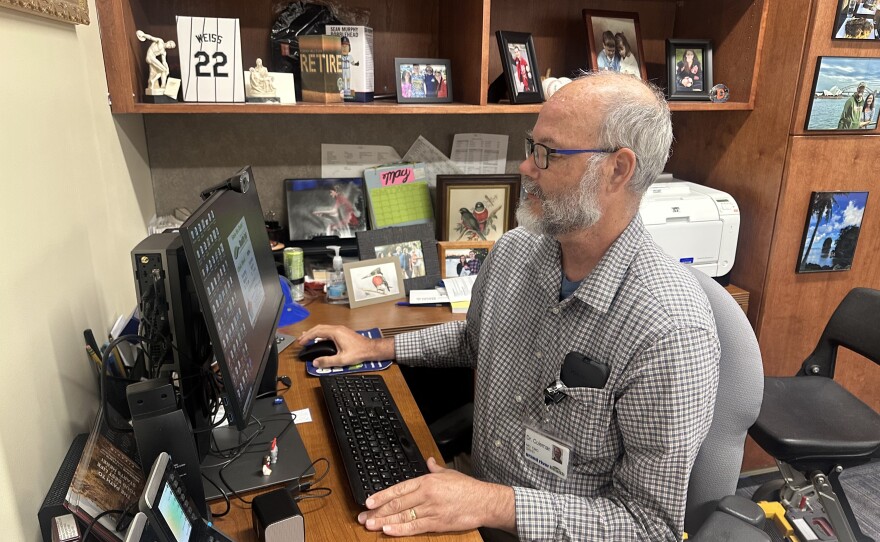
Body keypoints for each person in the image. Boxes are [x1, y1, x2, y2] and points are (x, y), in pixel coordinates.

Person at [298, 71, 719, 541]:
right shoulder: (516, 251)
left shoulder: (670, 331)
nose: (525, 167)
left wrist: (491, 503)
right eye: (531, 146)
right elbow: (474, 338)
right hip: (473, 498)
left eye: (548, 153)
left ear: (617, 170)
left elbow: (649, 526)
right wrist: (374, 347)